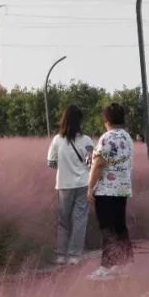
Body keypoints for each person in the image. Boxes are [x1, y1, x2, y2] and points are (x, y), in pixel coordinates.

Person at [86, 103, 134, 280]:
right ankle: (123, 263)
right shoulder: (127, 138)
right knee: (120, 227)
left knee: (107, 228)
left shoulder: (106, 138)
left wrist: (90, 187)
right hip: (122, 189)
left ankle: (106, 267)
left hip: (106, 190)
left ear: (105, 120)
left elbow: (98, 163)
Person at [46, 105, 94, 266]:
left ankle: (61, 255)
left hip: (63, 185)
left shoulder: (57, 140)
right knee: (79, 219)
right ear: (80, 121)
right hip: (83, 184)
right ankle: (74, 255)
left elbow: (51, 162)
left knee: (63, 221)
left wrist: (64, 166)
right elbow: (91, 163)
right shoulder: (86, 140)